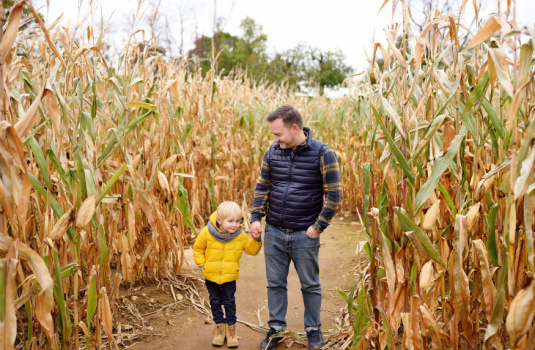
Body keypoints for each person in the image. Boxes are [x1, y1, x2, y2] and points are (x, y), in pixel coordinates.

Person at [250, 105, 342, 350]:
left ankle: (313, 330)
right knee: (275, 283)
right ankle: (276, 329)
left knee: (310, 284)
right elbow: (262, 187)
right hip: (274, 231)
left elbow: (334, 196)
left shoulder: (323, 153)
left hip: (305, 233)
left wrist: (317, 228)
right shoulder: (273, 151)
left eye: (278, 134)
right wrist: (256, 218)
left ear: (294, 128)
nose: (275, 139)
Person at [193, 201, 262, 348]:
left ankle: (231, 332)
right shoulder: (207, 232)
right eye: (230, 221)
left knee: (229, 303)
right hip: (211, 276)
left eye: (238, 221)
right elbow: (198, 249)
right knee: (215, 302)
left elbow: (251, 250)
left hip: (229, 277)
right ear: (219, 220)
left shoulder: (239, 235)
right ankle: (219, 330)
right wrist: (202, 266)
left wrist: (256, 240)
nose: (235, 225)